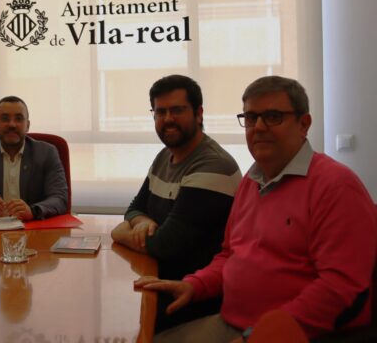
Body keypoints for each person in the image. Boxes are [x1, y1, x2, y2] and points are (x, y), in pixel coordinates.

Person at [136, 76, 377, 342]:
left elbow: (342, 288)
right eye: (251, 118)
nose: (259, 127)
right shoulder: (251, 181)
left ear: (304, 124)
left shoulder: (335, 185)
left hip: (293, 335)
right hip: (232, 323)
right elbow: (229, 255)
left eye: (273, 116)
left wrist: (260, 336)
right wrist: (194, 285)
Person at [111, 74, 241, 331]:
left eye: (177, 110)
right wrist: (142, 221)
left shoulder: (213, 165)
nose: (168, 119)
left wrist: (121, 232)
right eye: (160, 112)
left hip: (193, 298)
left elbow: (165, 246)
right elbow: (134, 207)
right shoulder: (165, 156)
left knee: (117, 327)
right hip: (160, 282)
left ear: (199, 113)